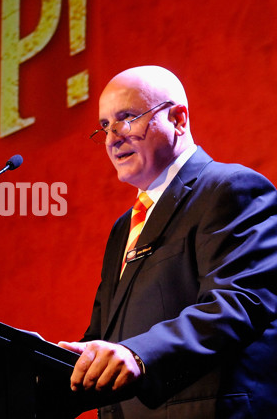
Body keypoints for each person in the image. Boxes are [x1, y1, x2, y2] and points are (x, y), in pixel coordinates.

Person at [59, 65, 277, 418]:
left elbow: (241, 302)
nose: (112, 138)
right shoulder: (123, 228)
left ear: (177, 118)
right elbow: (105, 335)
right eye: (104, 126)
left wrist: (139, 354)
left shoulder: (230, 188)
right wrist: (47, 362)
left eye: (126, 118)